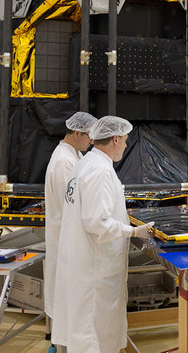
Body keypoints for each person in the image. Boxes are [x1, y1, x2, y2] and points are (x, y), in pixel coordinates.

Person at [51, 116, 154, 353]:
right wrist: (134, 231)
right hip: (95, 267)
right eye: (126, 141)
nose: (126, 146)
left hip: (84, 263)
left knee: (87, 331)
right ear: (116, 139)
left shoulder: (84, 164)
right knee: (93, 335)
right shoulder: (99, 170)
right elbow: (97, 222)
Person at [44, 112, 98, 329]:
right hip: (64, 239)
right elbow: (70, 204)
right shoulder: (63, 161)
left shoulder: (75, 155)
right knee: (64, 296)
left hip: (71, 238)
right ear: (77, 133)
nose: (92, 142)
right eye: (89, 136)